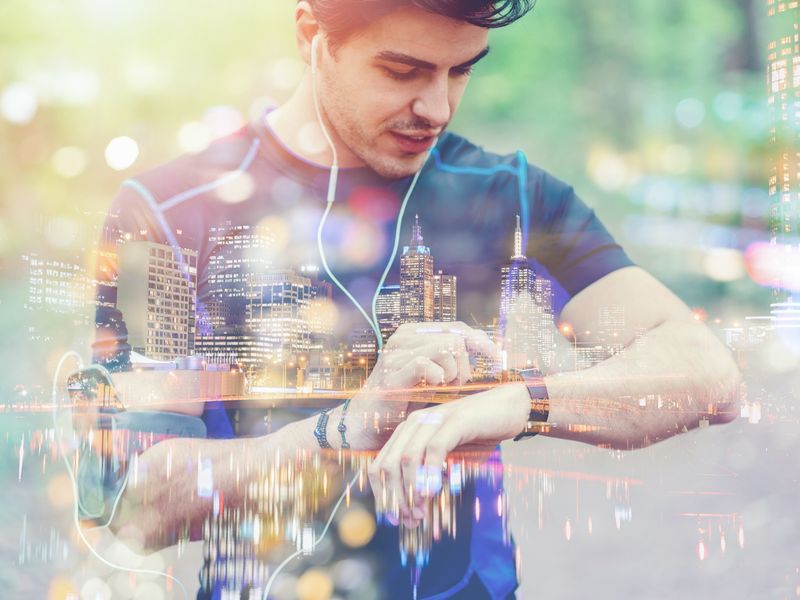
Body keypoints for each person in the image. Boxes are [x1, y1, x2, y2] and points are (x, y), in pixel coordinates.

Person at [93, 1, 741, 598]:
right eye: (403, 71)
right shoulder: (167, 211)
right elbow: (132, 506)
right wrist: (347, 428)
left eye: (461, 71)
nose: (437, 106)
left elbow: (707, 373)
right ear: (311, 37)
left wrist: (519, 403)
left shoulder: (507, 193)